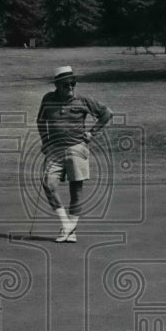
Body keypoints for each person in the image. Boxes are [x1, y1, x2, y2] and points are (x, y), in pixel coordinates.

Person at [36, 66, 112, 243]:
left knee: (75, 190)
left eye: (73, 84)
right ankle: (67, 224)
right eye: (66, 85)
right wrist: (45, 141)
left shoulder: (83, 100)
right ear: (57, 86)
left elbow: (107, 113)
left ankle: (70, 231)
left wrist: (92, 132)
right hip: (54, 149)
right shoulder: (48, 99)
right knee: (48, 184)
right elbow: (40, 120)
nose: (70, 87)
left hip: (77, 148)